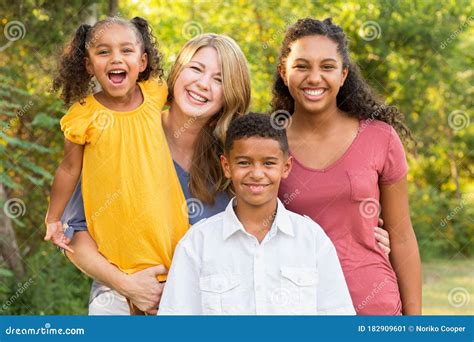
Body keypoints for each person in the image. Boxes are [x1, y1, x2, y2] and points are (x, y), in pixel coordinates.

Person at [54, 32, 251, 314]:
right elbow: (74, 230)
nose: (203, 84)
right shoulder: (120, 129)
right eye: (195, 69)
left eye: (219, 79)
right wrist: (127, 285)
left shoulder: (232, 163)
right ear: (177, 72)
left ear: (231, 93)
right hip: (119, 298)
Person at [273, 18, 421, 315]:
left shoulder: (380, 137)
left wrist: (415, 323)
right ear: (283, 72)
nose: (314, 77)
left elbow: (402, 236)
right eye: (302, 66)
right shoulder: (268, 143)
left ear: (343, 75)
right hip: (297, 309)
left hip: (374, 307)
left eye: (327, 67)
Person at [44, 16, 190, 313]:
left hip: (172, 249)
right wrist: (53, 218)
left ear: (143, 61)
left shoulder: (154, 94)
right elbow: (68, 169)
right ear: (88, 65)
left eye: (126, 50)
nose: (116, 59)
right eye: (103, 52)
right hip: (120, 258)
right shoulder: (82, 116)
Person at [159, 113, 355, 315]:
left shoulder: (312, 240)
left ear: (286, 167)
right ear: (227, 166)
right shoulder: (197, 243)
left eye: (269, 163)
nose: (257, 174)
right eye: (244, 163)